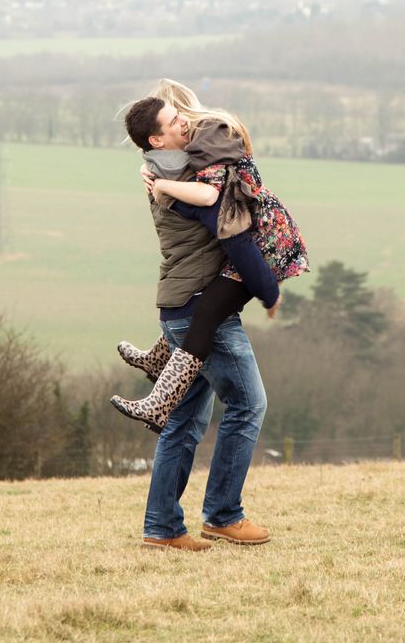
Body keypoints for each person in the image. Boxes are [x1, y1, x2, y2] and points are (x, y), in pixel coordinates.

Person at [117, 82, 306, 551]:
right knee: (248, 405)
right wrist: (267, 288)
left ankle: (161, 528)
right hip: (200, 306)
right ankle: (223, 515)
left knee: (184, 425)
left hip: (179, 306)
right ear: (157, 141)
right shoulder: (184, 179)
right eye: (173, 121)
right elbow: (231, 232)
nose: (185, 122)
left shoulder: (172, 171)